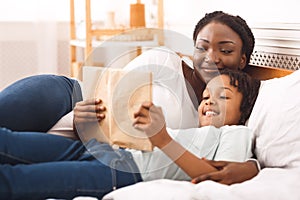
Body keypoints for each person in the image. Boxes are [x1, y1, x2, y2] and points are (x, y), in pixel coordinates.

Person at [0, 10, 258, 188]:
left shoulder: (217, 115)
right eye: (202, 47)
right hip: (69, 97)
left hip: (104, 148)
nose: (211, 57)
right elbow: (108, 94)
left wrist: (253, 166)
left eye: (225, 50)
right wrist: (79, 119)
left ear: (242, 60)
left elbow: (224, 163)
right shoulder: (164, 60)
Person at [0, 69, 260, 199]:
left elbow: (218, 179)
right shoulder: (191, 130)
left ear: (245, 107)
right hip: (105, 152)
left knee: (16, 180)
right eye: (205, 96)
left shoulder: (236, 133)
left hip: (122, 172)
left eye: (223, 96)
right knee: (7, 141)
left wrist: (162, 139)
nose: (209, 102)